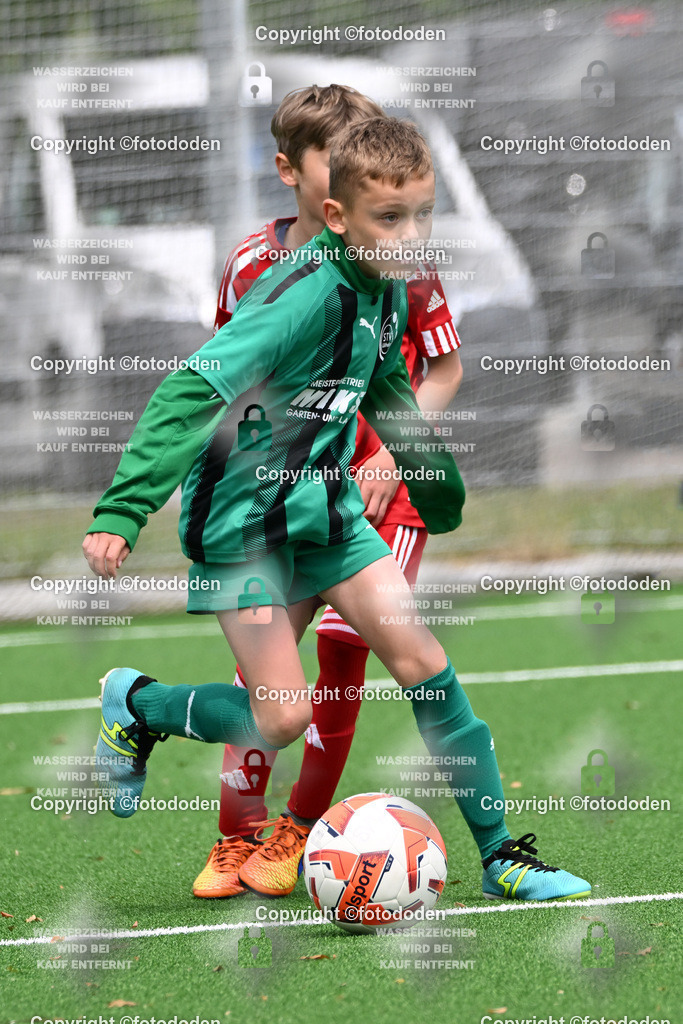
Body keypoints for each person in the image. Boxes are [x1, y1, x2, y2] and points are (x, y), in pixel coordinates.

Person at [84, 117, 591, 903]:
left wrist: (438, 488)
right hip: (243, 526)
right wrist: (123, 509)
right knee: (281, 717)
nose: (410, 233)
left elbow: (389, 388)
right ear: (336, 216)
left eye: (421, 214)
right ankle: (139, 703)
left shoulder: (386, 290)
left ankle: (502, 858)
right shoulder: (297, 294)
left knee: (423, 665)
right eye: (390, 218)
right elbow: (191, 387)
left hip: (324, 512)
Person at [194, 84, 464, 901]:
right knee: (269, 677)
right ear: (293, 171)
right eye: (333, 153)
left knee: (349, 652)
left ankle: (301, 827)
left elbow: (442, 367)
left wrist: (390, 456)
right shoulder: (252, 264)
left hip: (382, 495)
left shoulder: (402, 258)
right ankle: (233, 830)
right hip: (283, 497)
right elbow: (226, 380)